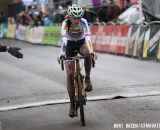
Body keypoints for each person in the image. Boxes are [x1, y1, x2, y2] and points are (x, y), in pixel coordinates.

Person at [59, 4, 94, 118]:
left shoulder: (83, 22)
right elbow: (64, 39)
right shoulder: (65, 23)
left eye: (78, 17)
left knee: (88, 54)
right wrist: (62, 54)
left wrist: (91, 51)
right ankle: (72, 104)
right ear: (69, 17)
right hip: (68, 45)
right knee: (69, 74)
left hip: (80, 43)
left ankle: (87, 78)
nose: (76, 20)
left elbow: (88, 37)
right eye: (74, 17)